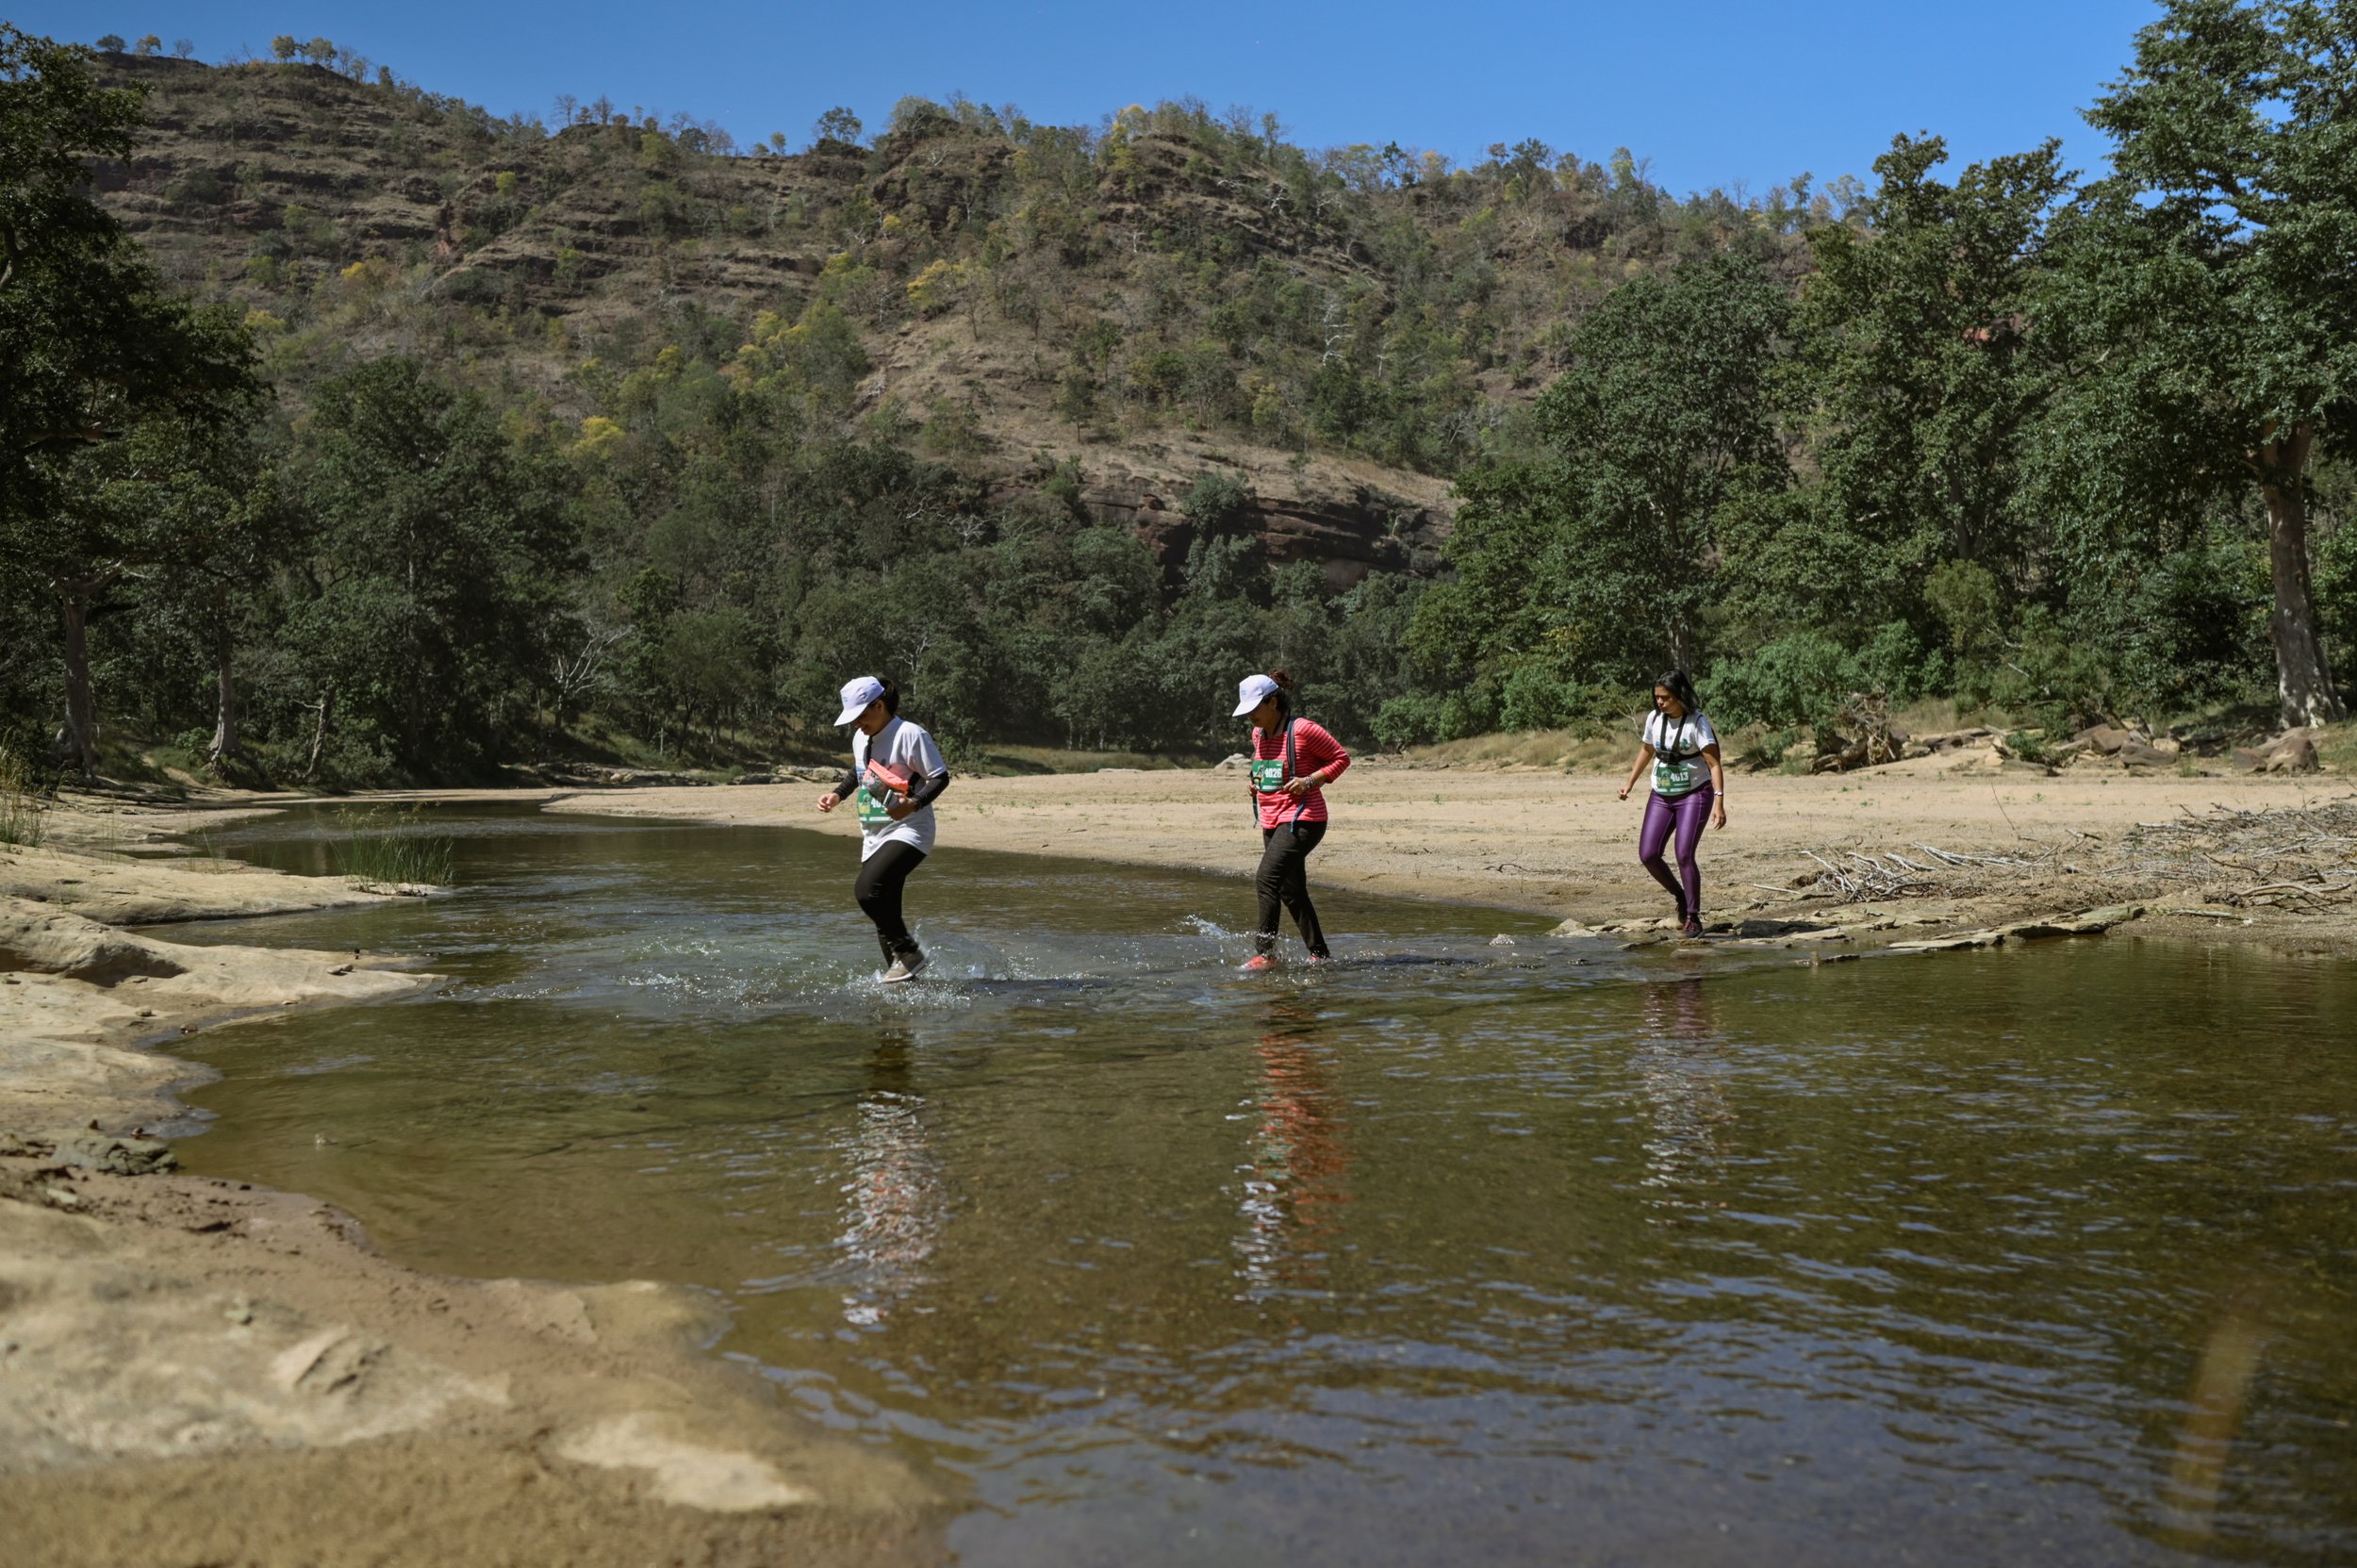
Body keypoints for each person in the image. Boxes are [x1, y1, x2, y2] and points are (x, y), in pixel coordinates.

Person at [816, 676, 949, 982]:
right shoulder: (861, 738)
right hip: (873, 834)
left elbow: (939, 778)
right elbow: (859, 772)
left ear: (879, 706)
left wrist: (913, 804)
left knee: (867, 891)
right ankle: (905, 981)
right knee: (883, 913)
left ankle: (910, 953)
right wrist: (838, 794)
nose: (855, 724)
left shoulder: (910, 734)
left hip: (910, 829)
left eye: (860, 716)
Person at [1234, 669, 1351, 970]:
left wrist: (1309, 781)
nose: (1250, 717)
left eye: (1254, 710)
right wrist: (1253, 781)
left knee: (1266, 879)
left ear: (1273, 702)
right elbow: (1265, 767)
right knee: (1290, 890)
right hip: (1271, 819)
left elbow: (1341, 759)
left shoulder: (1303, 730)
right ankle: (1320, 956)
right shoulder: (1258, 733)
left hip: (1304, 818)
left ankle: (1265, 955)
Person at [1617, 670, 1727, 939]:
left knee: (1684, 854)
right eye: (1657, 698)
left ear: (1679, 696)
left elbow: (1713, 763)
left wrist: (1719, 802)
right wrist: (1629, 783)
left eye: (1665, 698)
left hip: (1694, 795)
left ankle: (1693, 916)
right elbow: (1646, 750)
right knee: (1648, 854)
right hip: (1661, 795)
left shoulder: (1697, 723)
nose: (1659, 703)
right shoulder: (1654, 719)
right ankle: (1680, 894)